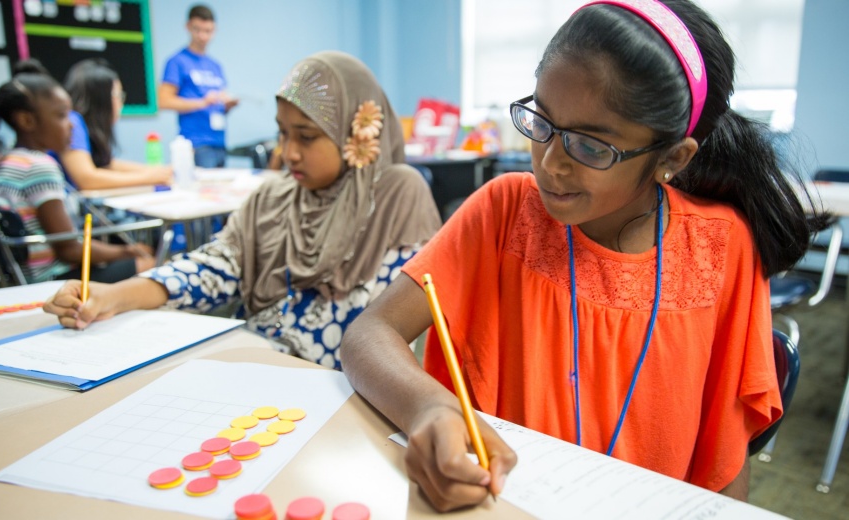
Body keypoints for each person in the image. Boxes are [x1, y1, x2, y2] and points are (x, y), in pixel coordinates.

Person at [341, 0, 830, 511]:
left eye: (592, 148)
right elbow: (368, 334)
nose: (551, 163)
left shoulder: (721, 247)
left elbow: (726, 455)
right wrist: (427, 408)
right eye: (542, 123)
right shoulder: (505, 212)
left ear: (672, 158)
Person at [43, 51, 442, 369]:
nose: (288, 153)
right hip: (253, 369)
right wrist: (114, 296)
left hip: (345, 392)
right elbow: (214, 267)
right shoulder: (274, 197)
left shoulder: (396, 195)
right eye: (282, 134)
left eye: (306, 136)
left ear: (356, 134)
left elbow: (387, 327)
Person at [0, 67, 156, 283]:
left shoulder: (7, 159)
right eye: (62, 115)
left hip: (19, 276)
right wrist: (127, 251)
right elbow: (69, 249)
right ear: (27, 121)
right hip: (52, 280)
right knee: (150, 264)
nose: (72, 124)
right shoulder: (40, 167)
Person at [56, 59, 173, 189]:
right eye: (118, 95)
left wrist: (157, 172)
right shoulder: (73, 123)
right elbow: (87, 179)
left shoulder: (83, 124)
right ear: (101, 99)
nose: (120, 103)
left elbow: (106, 164)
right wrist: (148, 177)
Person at [158, 4, 238, 168]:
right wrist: (202, 102)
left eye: (207, 31)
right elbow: (163, 101)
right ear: (188, 27)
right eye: (197, 29)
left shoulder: (215, 65)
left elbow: (220, 105)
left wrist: (228, 105)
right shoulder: (177, 61)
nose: (202, 36)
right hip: (196, 143)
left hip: (219, 142)